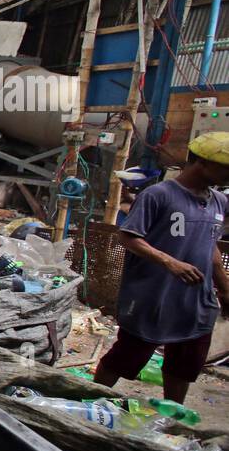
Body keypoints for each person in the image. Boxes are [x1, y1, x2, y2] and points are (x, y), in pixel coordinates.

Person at [92, 132, 229, 404]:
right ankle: (89, 401)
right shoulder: (158, 195)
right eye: (225, 168)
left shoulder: (219, 201)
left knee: (183, 366)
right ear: (201, 163)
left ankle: (172, 416)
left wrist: (224, 288)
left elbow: (210, 244)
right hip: (153, 297)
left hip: (195, 302)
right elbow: (128, 237)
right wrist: (170, 262)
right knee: (126, 358)